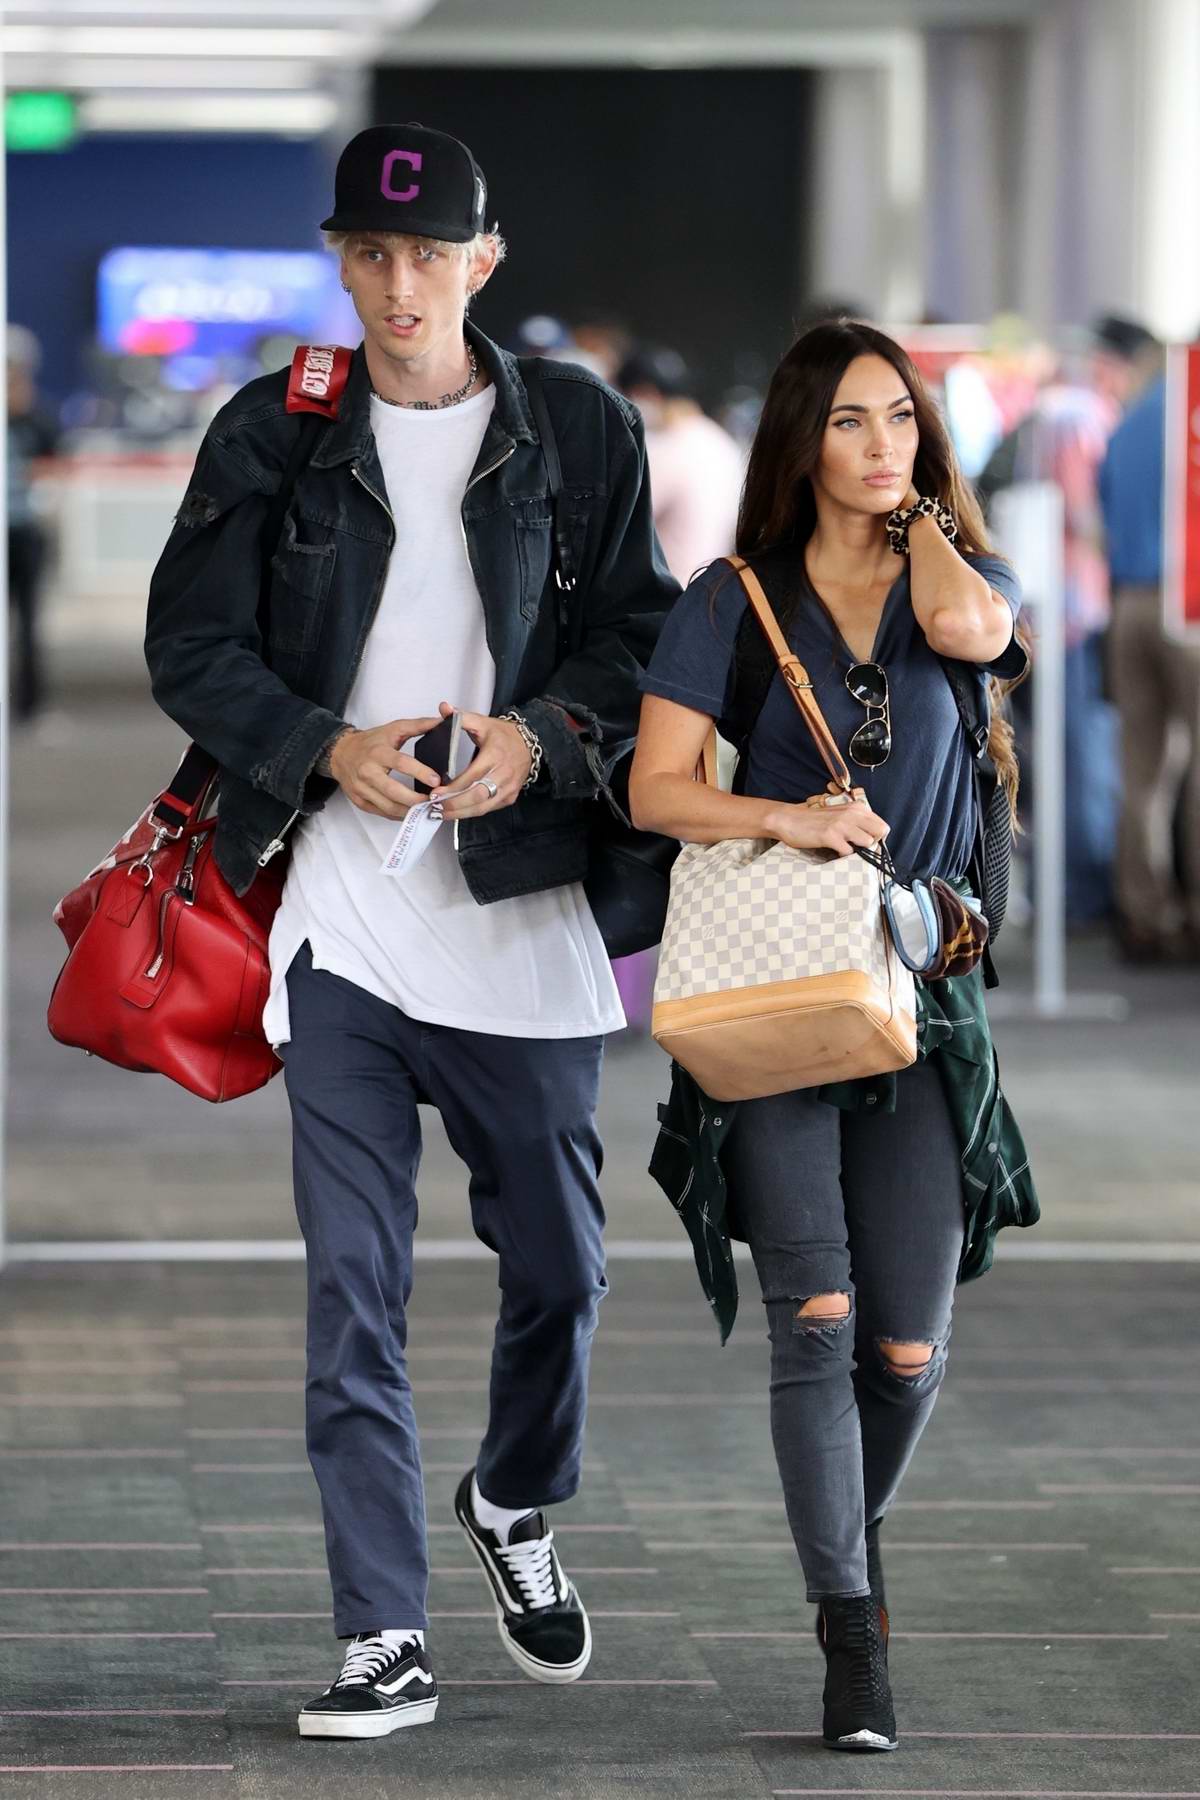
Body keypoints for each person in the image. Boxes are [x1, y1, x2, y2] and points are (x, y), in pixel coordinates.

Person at [144, 122, 677, 1741]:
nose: (399, 285)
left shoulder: (578, 430)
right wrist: (321, 747)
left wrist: (538, 744)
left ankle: (514, 1501)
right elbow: (191, 642)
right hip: (342, 924)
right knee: (351, 1288)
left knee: (562, 1272)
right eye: (371, 256)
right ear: (338, 258)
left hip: (517, 911)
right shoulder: (277, 431)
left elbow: (636, 638)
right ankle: (384, 1632)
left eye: (430, 255)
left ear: (484, 262)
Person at [629, 320, 1038, 1753]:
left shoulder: (959, 578)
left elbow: (975, 636)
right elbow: (660, 789)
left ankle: (842, 1556)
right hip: (780, 994)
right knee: (818, 1321)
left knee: (910, 1351)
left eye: (901, 424)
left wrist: (921, 517)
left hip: (925, 1003)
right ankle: (853, 1631)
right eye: (851, 426)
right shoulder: (728, 600)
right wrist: (786, 816)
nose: (878, 448)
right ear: (800, 441)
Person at [977, 315, 1157, 924]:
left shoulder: (1045, 413)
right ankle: (1083, 892)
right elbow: (1084, 519)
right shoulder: (1082, 416)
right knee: (1082, 756)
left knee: (1053, 756)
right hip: (1075, 614)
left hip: (1039, 614)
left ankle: (1066, 889)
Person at [1097, 330, 1200, 959]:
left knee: (1143, 770)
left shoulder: (1131, 418)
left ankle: (1146, 914)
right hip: (1189, 602)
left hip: (1129, 604)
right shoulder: (1189, 418)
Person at [617, 345, 745, 586]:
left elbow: (613, 522)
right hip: (709, 597)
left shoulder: (667, 448)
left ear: (643, 394)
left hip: (664, 602)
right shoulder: (721, 442)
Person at [7, 325, 60, 725]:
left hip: (24, 532)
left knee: (28, 624)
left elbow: (53, 467)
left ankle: (30, 705)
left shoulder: (38, 421)